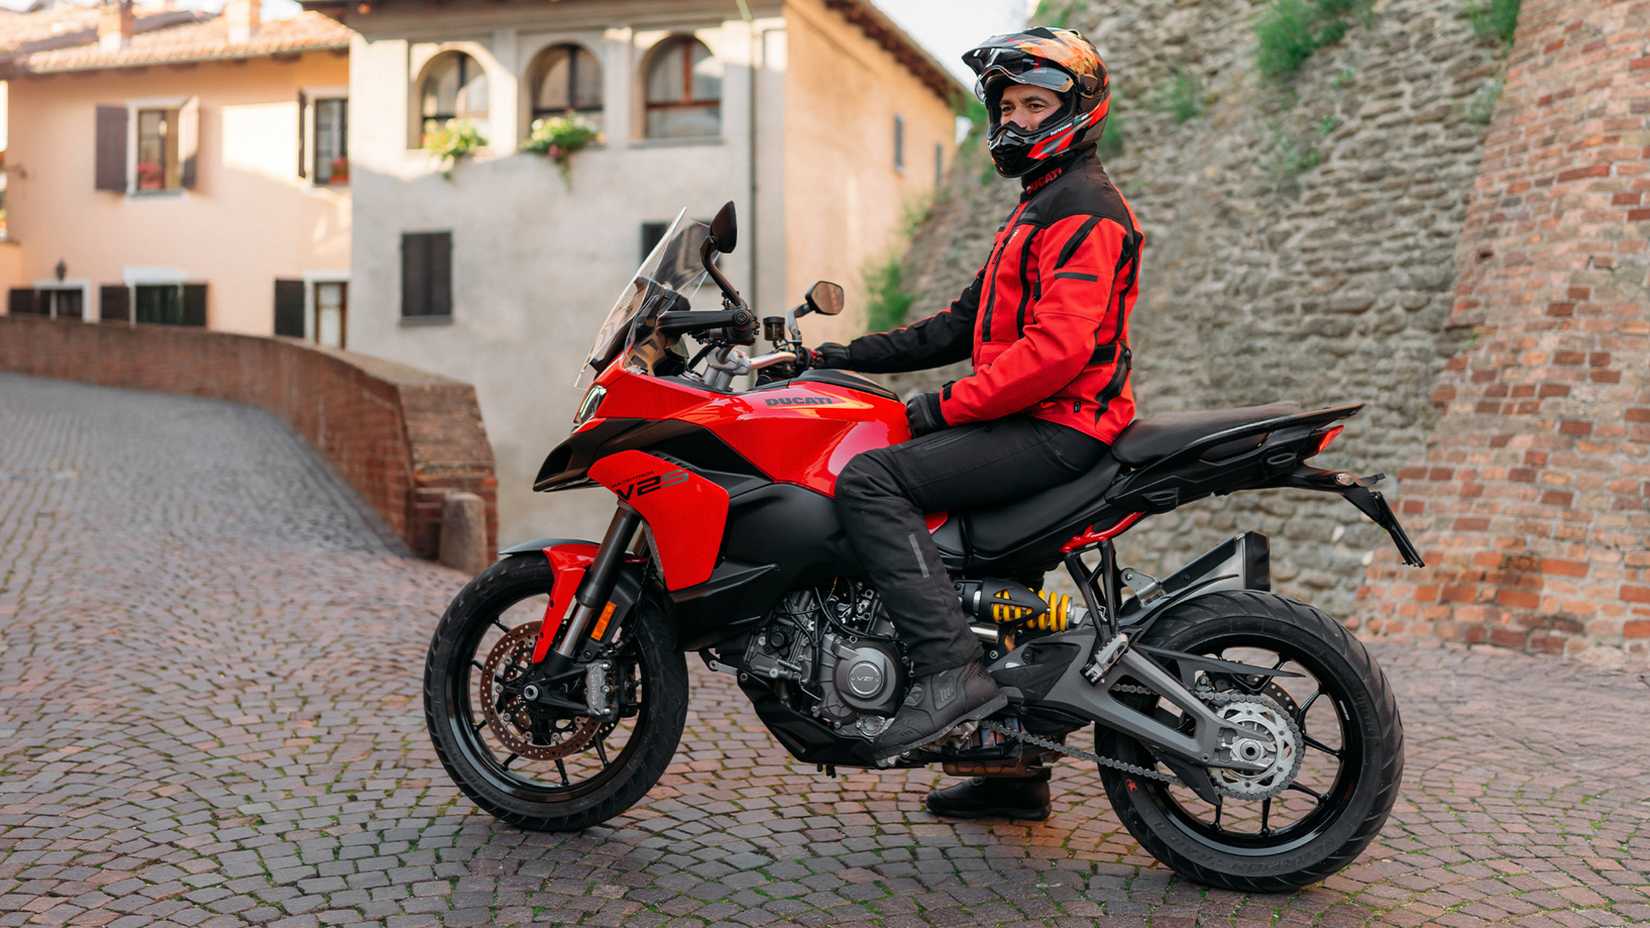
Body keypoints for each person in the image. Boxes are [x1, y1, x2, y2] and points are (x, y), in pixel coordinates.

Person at [810, 26, 1145, 817]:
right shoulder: (1038, 206)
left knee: (871, 480)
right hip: (1044, 419)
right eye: (1009, 104)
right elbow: (961, 325)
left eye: (1037, 104)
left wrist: (942, 408)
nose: (1017, 120)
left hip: (1061, 427)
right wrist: (839, 355)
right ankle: (1014, 770)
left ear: (1077, 111)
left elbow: (1057, 351)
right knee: (989, 570)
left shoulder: (1084, 211)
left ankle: (948, 677)